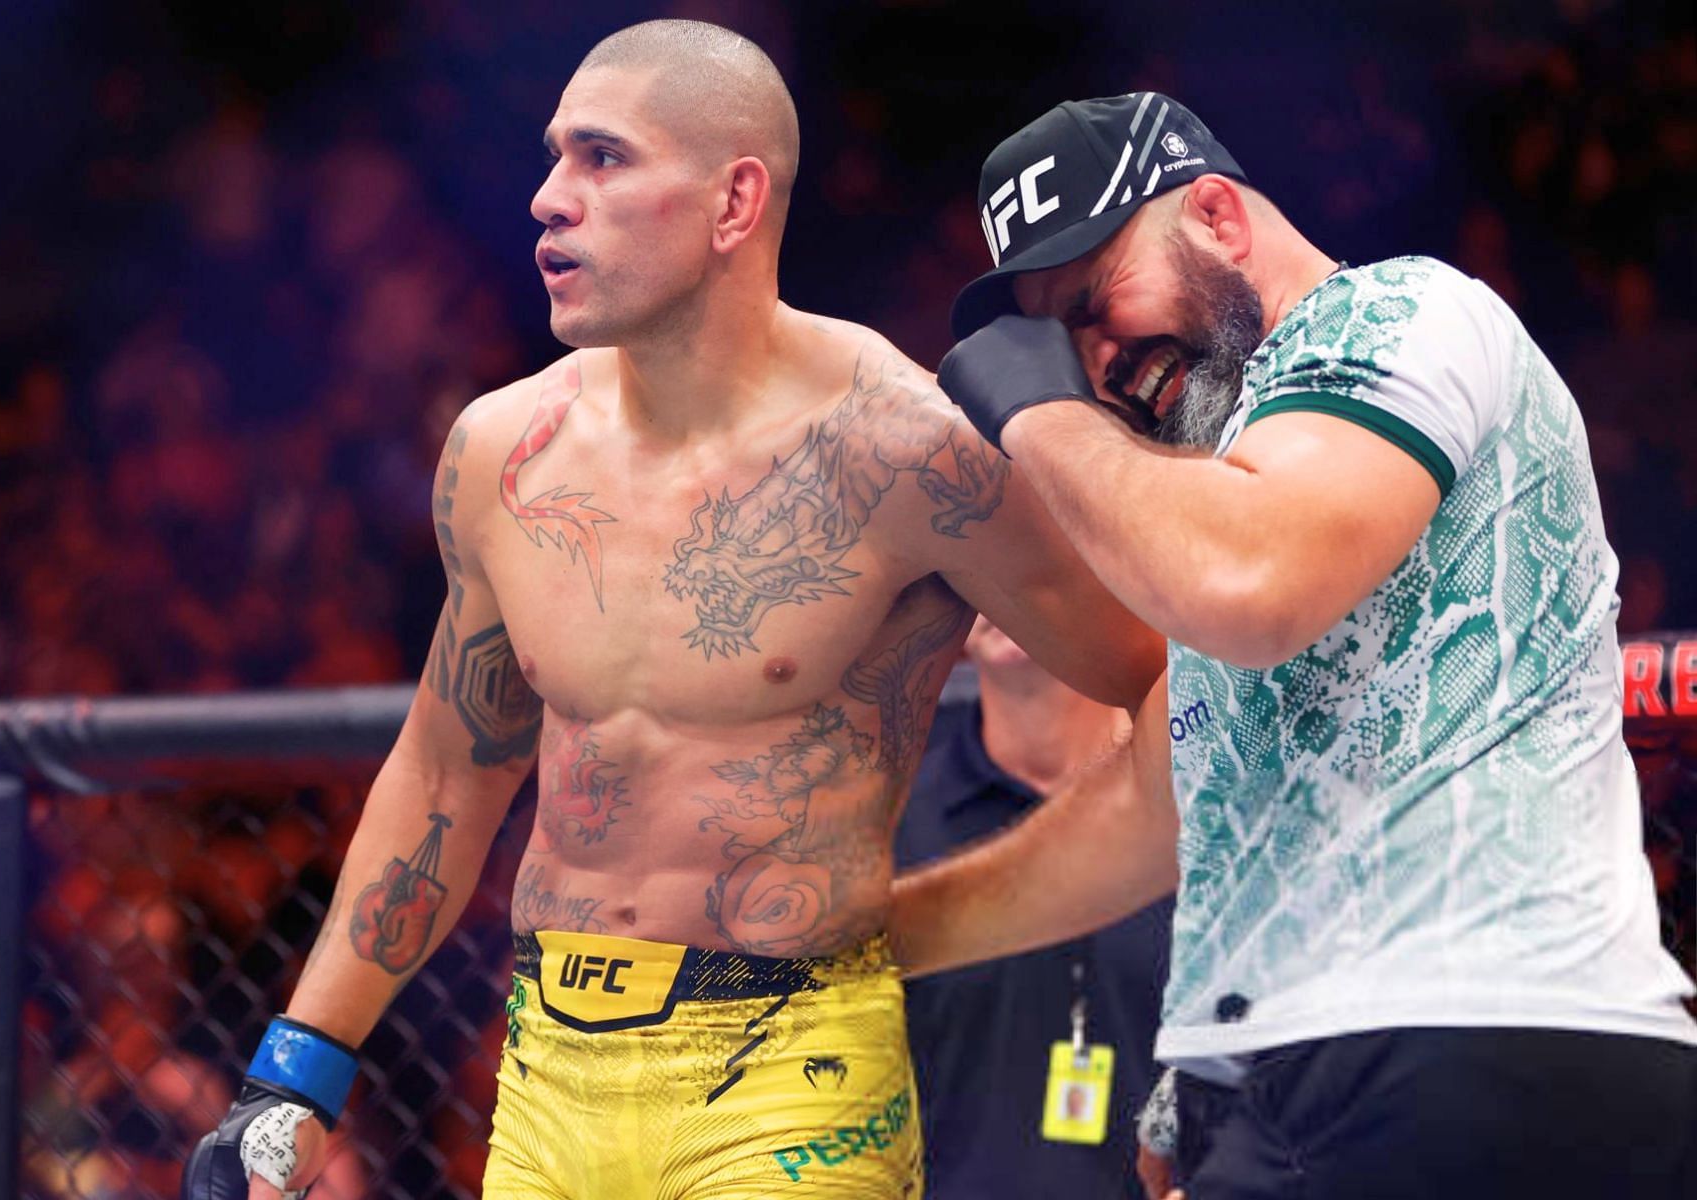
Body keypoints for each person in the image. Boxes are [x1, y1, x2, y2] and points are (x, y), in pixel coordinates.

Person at [182, 25, 1164, 1200]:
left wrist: (1124, 967)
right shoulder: (505, 453)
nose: (549, 198)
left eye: (602, 158)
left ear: (734, 200)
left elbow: (1166, 684)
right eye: (553, 158)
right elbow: (449, 773)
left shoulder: (908, 453)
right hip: (548, 1069)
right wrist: (296, 1072)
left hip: (790, 1072)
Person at [894, 92, 1697, 1199]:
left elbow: (1253, 581)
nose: (1095, 361)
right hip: (1296, 1076)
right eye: (1054, 342)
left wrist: (1039, 416)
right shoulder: (1219, 486)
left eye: (1094, 302)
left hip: (1479, 1034)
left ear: (1219, 219)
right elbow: (1161, 803)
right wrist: (874, 939)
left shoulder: (1401, 315)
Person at [896, 615, 1171, 1199]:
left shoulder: (1201, 784)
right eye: (980, 553)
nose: (1000, 587)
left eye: (1036, 545)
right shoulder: (888, 801)